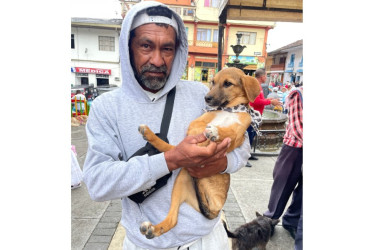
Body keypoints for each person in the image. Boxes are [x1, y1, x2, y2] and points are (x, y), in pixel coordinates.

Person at [83, 2, 250, 249]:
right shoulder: (106, 107)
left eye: (168, 48)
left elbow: (242, 143)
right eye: (146, 46)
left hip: (207, 240)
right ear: (128, 47)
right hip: (147, 244)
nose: (158, 59)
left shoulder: (200, 94)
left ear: (178, 51)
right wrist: (170, 160)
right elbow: (97, 183)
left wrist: (224, 162)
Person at [263, 86, 303, 249]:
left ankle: (291, 220)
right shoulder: (298, 93)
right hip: (294, 148)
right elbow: (299, 127)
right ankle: (269, 221)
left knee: (303, 192)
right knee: (282, 186)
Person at [245, 68, 282, 167]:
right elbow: (255, 102)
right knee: (248, 136)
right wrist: (270, 102)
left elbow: (259, 99)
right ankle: (244, 158)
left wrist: (267, 99)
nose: (266, 77)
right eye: (266, 76)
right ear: (262, 77)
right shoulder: (255, 86)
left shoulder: (259, 86)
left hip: (256, 115)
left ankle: (248, 155)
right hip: (252, 115)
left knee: (251, 136)